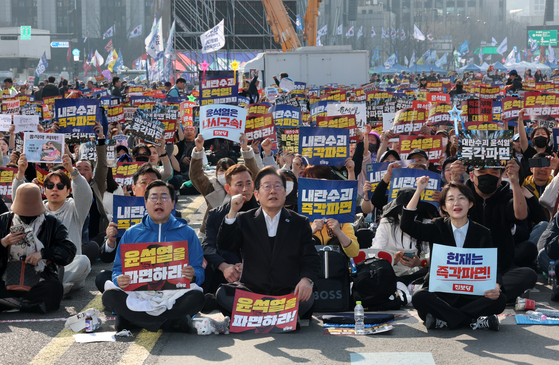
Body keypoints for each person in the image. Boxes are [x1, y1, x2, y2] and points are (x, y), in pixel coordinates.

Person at [215, 167, 321, 320]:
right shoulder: (243, 219)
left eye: (278, 186)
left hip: (286, 292)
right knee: (223, 294)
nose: (272, 191)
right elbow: (225, 244)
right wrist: (232, 213)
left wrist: (306, 280)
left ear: (285, 193)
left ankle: (259, 316)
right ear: (257, 195)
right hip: (252, 292)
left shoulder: (300, 222)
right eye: (267, 186)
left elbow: (311, 257)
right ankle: (280, 316)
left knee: (306, 298)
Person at [402, 179, 506, 330]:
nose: (456, 203)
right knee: (419, 297)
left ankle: (444, 320)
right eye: (451, 199)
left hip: (471, 295)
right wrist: (419, 190)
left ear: (470, 204)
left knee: (500, 299)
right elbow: (407, 225)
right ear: (444, 207)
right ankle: (472, 321)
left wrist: (496, 286)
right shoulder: (437, 226)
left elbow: (492, 264)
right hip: (442, 294)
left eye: (461, 198)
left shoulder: (482, 232)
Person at [102, 181, 205, 332]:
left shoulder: (187, 232)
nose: (158, 201)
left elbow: (199, 271)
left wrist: (193, 275)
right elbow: (118, 269)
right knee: (109, 296)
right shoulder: (131, 233)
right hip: (139, 293)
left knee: (197, 297)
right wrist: (119, 279)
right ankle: (171, 323)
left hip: (174, 293)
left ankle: (135, 320)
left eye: (164, 197)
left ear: (173, 203)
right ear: (145, 203)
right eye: (153, 197)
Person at [449, 160, 537, 302]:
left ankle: (475, 296)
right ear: (472, 176)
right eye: (482, 172)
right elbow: (446, 216)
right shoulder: (462, 196)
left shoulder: (507, 195)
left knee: (528, 275)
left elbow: (521, 215)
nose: (487, 176)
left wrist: (515, 182)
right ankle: (489, 297)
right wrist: (453, 180)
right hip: (466, 268)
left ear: (500, 178)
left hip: (500, 269)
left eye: (494, 173)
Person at [0, 183, 76, 313]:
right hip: (5, 278)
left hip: (38, 279)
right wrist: (3, 242)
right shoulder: (4, 220)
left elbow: (69, 250)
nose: (28, 215)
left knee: (55, 287)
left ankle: (11, 303)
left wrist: (44, 253)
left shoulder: (51, 222)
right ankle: (25, 305)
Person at [95, 164, 162, 293]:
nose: (148, 186)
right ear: (134, 188)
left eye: (153, 183)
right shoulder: (122, 213)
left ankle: (126, 298)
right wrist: (111, 240)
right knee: (102, 277)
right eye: (143, 182)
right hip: (131, 275)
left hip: (162, 273)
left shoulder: (169, 212)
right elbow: (106, 258)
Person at [202, 164, 258, 296]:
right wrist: (224, 267)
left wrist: (248, 267)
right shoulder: (216, 214)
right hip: (227, 275)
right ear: (228, 188)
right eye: (239, 185)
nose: (245, 189)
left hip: (258, 274)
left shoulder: (265, 212)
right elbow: (207, 246)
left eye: (248, 183)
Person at [189, 133, 259, 239]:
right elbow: (195, 175)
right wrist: (198, 150)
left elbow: (253, 174)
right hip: (211, 236)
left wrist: (245, 149)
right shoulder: (210, 187)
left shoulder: (243, 188)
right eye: (222, 170)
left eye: (229, 169)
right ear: (216, 173)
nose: (225, 173)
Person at [517, 108, 552, 177]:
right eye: (537, 134)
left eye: (543, 134)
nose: (540, 136)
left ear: (548, 139)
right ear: (532, 138)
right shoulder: (528, 151)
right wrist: (520, 120)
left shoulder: (552, 152)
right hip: (529, 186)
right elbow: (523, 139)